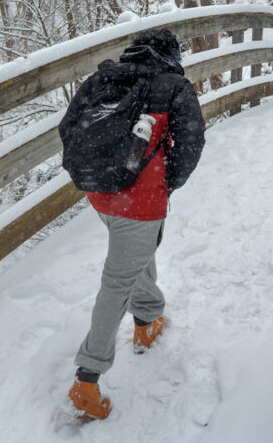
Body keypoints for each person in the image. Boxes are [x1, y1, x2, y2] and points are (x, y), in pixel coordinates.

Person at [59, 27, 205, 419]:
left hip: (99, 192)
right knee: (118, 280)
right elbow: (190, 145)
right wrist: (164, 183)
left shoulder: (102, 77)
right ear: (171, 54)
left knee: (134, 252)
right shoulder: (174, 86)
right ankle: (87, 379)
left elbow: (67, 129)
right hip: (139, 201)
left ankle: (148, 316)